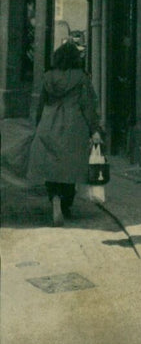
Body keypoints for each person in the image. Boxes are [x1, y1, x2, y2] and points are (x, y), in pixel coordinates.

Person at [26, 40, 103, 226]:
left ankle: (54, 198)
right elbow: (88, 106)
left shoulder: (48, 76)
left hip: (49, 122)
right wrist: (94, 129)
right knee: (71, 168)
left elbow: (40, 104)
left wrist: (38, 125)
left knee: (51, 166)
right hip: (73, 125)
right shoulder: (82, 78)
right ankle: (66, 204)